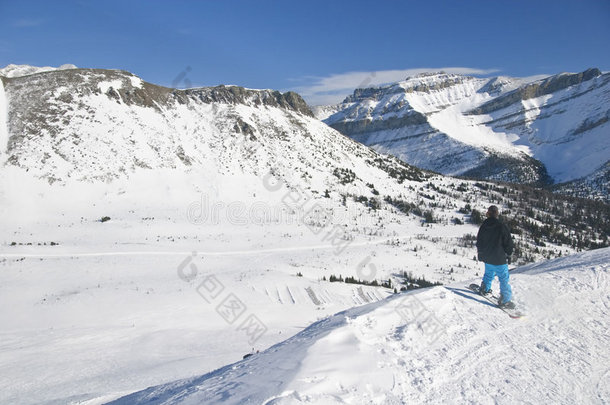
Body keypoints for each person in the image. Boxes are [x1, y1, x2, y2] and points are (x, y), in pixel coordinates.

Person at [476, 205, 515, 308]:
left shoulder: (484, 225)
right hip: (499, 258)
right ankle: (505, 300)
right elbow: (508, 242)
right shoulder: (501, 226)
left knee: (489, 273)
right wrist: (509, 254)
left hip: (488, 257)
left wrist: (480, 253)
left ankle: (485, 288)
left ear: (488, 213)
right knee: (503, 279)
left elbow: (479, 240)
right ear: (497, 213)